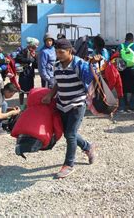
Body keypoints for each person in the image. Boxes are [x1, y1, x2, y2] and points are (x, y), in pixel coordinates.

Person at [41, 38, 99, 179]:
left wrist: (93, 65)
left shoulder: (80, 64)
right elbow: (57, 83)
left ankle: (68, 165)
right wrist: (50, 95)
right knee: (68, 133)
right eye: (56, 52)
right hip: (62, 105)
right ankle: (88, 147)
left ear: (69, 51)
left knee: (70, 135)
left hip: (77, 104)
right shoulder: (57, 66)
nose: (58, 55)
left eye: (61, 52)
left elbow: (90, 78)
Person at [118, 33, 134, 113]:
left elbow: (116, 57)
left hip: (122, 70)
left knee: (122, 88)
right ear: (132, 39)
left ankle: (122, 106)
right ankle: (132, 106)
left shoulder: (120, 46)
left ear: (125, 38)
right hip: (133, 70)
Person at [16, 37, 39, 105]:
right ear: (31, 45)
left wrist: (35, 58)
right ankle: (21, 106)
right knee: (22, 91)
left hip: (30, 74)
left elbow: (36, 65)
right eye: (35, 46)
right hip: (23, 74)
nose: (36, 47)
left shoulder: (34, 53)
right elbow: (18, 58)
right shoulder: (24, 51)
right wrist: (29, 60)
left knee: (30, 91)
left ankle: (29, 105)